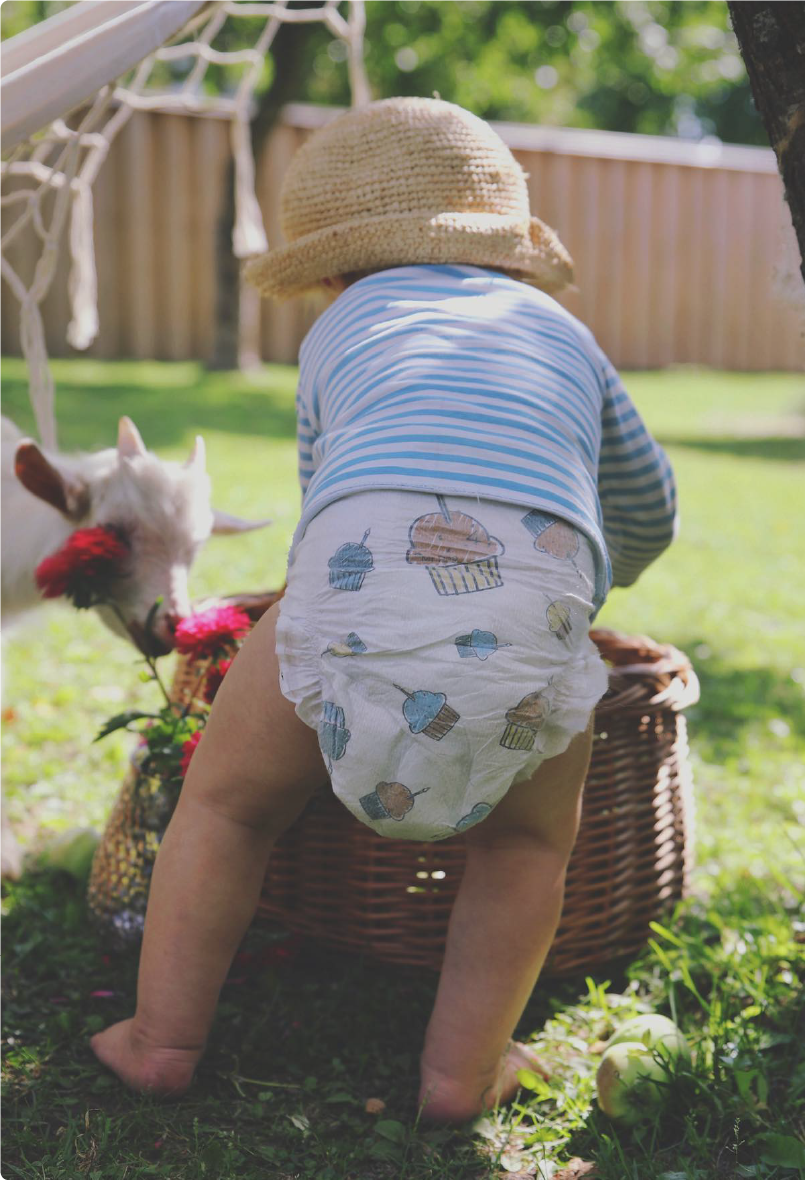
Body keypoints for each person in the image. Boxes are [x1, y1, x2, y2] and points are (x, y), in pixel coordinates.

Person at [91, 97, 677, 1122]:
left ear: (326, 267)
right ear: (510, 246)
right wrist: (581, 590)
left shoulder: (342, 328)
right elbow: (646, 505)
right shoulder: (565, 335)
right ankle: (460, 1077)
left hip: (352, 588)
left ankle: (159, 1040)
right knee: (527, 849)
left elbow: (335, 505)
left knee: (227, 807)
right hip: (538, 612)